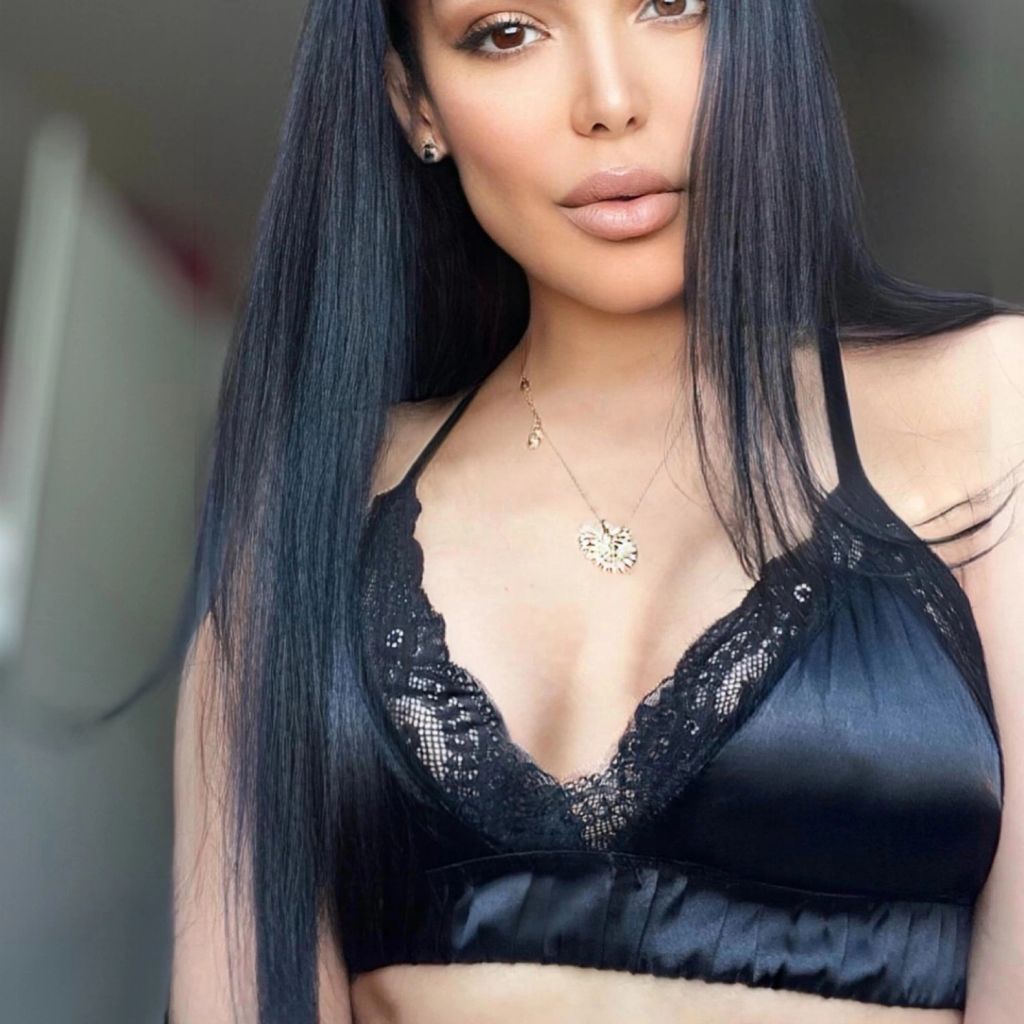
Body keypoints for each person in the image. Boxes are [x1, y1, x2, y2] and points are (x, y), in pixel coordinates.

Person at [166, 0, 1024, 1021]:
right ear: (416, 104)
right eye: (506, 32)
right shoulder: (312, 510)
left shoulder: (984, 412)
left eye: (670, 3)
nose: (610, 102)